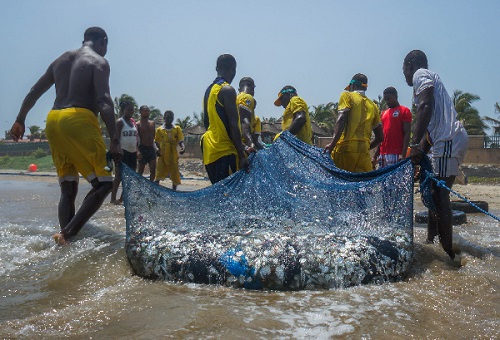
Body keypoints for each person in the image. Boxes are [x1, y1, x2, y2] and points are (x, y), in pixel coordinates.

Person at [8, 27, 122, 245]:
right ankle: (67, 234)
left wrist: (20, 119)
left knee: (68, 186)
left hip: (53, 121)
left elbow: (34, 91)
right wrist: (115, 140)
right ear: (103, 42)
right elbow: (104, 100)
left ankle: (65, 237)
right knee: (105, 184)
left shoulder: (60, 60)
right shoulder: (98, 61)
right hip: (79, 120)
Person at [403, 50, 468, 262]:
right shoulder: (430, 78)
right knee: (433, 192)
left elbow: (425, 106)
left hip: (448, 140)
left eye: (404, 69)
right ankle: (432, 244)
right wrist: (418, 152)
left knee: (440, 195)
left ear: (410, 65)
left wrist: (413, 145)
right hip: (444, 141)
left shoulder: (420, 74)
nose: (404, 74)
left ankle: (449, 256)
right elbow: (428, 132)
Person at [202, 54, 249, 184]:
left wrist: (243, 146)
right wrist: (241, 154)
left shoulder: (209, 91)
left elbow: (207, 123)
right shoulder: (227, 90)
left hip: (209, 151)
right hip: (225, 151)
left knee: (218, 195)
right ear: (233, 70)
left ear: (217, 68)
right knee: (228, 196)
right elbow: (233, 125)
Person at [323, 73, 383, 172]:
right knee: (361, 184)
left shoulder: (347, 95)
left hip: (345, 150)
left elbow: (342, 119)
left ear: (352, 85)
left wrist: (332, 144)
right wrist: (367, 148)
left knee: (340, 182)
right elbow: (380, 137)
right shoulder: (373, 106)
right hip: (363, 153)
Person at [373, 87, 412, 169]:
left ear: (395, 96)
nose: (387, 101)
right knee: (383, 180)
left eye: (389, 98)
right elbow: (381, 136)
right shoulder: (383, 113)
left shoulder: (405, 111)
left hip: (397, 153)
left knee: (396, 180)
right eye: (385, 99)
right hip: (383, 154)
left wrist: (403, 154)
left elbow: (407, 133)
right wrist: (376, 155)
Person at [110, 100, 139, 204]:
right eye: (129, 110)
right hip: (122, 152)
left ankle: (122, 199)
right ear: (123, 110)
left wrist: (137, 151)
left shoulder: (133, 122)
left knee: (129, 178)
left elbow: (136, 138)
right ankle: (113, 199)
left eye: (132, 110)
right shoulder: (120, 122)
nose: (131, 111)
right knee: (118, 177)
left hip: (133, 153)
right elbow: (115, 138)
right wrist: (114, 151)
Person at [154, 110, 185, 190]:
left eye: (171, 118)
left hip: (173, 154)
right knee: (159, 173)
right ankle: (157, 191)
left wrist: (182, 147)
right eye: (167, 118)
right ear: (164, 118)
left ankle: (173, 191)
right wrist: (157, 149)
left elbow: (180, 140)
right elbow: (156, 142)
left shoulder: (177, 129)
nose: (169, 119)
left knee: (174, 173)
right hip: (163, 155)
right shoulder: (160, 130)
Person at [237, 77, 261, 150]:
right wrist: (250, 143)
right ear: (252, 88)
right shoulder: (247, 97)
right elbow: (244, 121)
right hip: (244, 145)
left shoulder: (236, 98)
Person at [136, 105, 157, 181]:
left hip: (151, 148)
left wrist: (156, 148)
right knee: (140, 171)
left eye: (148, 110)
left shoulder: (152, 123)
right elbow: (136, 139)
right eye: (145, 110)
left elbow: (154, 137)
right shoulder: (138, 124)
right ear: (140, 112)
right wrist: (137, 151)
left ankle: (151, 187)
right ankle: (138, 187)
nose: (147, 112)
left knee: (153, 171)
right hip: (143, 148)